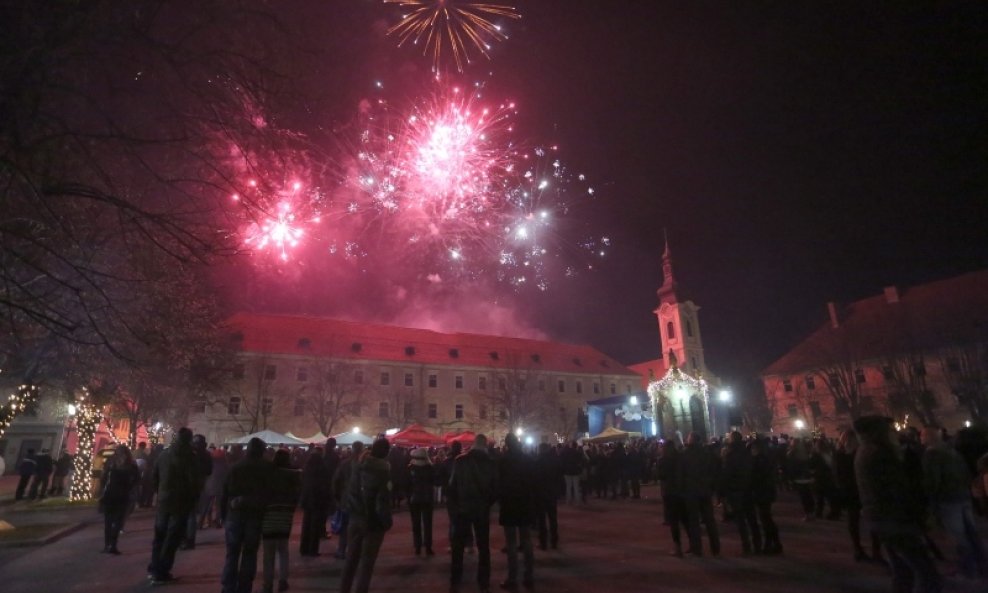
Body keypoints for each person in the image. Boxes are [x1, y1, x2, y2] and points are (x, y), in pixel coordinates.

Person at [854, 415, 941, 593]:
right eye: (890, 429)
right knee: (927, 573)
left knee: (903, 571)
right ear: (879, 433)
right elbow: (898, 491)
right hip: (896, 520)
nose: (894, 432)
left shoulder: (865, 451)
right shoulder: (880, 454)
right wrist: (919, 518)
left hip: (882, 519)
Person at [921, 426, 987, 579]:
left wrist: (931, 501)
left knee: (958, 537)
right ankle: (982, 564)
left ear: (929, 437)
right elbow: (965, 472)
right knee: (971, 533)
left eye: (923, 435)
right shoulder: (952, 451)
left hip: (948, 500)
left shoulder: (931, 455)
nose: (920, 438)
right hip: (962, 496)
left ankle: (968, 569)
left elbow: (933, 481)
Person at [148, 428, 203, 585]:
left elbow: (155, 476)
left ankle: (155, 567)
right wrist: (194, 497)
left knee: (160, 535)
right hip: (180, 501)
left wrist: (159, 492)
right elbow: (194, 481)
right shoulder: (189, 458)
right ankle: (162, 570)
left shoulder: (164, 455)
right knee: (172, 537)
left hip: (164, 500)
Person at [339, 437, 393, 593]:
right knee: (366, 564)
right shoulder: (383, 471)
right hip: (372, 522)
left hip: (355, 517)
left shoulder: (357, 466)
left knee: (351, 560)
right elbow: (382, 501)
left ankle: (344, 589)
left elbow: (349, 490)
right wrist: (386, 522)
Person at [220, 436, 273, 593]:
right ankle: (244, 587)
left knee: (232, 553)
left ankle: (228, 587)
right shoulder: (267, 468)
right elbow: (272, 492)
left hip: (235, 515)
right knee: (250, 554)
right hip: (255, 516)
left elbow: (225, 492)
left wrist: (223, 515)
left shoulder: (235, 467)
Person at [448, 434, 498, 593]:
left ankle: (455, 578)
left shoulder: (460, 461)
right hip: (481, 509)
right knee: (483, 547)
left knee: (458, 546)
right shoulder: (490, 464)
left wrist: (455, 506)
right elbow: (495, 490)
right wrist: (487, 503)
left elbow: (452, 487)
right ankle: (483, 581)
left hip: (462, 508)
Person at [834, 429, 882, 563]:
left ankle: (860, 549)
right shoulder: (857, 454)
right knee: (868, 521)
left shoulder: (841, 455)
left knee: (855, 521)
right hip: (858, 491)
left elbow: (838, 476)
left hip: (852, 492)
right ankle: (872, 551)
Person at [497, 433, 535, 591]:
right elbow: (533, 482)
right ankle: (529, 576)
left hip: (509, 504)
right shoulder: (527, 459)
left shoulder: (503, 461)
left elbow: (498, 482)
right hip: (524, 503)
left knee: (511, 543)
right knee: (526, 541)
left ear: (507, 444)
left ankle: (513, 577)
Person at [261, 449, 301, 593]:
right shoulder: (293, 475)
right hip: (285, 515)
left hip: (269, 514)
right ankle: (283, 580)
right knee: (283, 550)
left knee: (268, 553)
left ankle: (267, 585)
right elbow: (296, 495)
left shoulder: (268, 474)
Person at [680, 431, 720, 557]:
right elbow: (714, 471)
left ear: (691, 440)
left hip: (691, 491)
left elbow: (681, 474)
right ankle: (715, 548)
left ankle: (697, 548)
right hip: (705, 490)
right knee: (709, 520)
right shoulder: (707, 454)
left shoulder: (686, 455)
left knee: (694, 522)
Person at [721, 431, 760, 555]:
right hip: (748, 488)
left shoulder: (730, 455)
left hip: (736, 490)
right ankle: (757, 544)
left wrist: (725, 492)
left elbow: (727, 474)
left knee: (741, 520)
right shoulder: (747, 452)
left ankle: (746, 546)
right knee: (752, 518)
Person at [99, 444, 141, 554]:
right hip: (123, 494)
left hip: (110, 494)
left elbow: (103, 478)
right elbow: (137, 479)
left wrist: (103, 490)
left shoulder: (111, 463)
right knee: (118, 521)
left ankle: (107, 545)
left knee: (108, 521)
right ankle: (113, 545)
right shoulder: (131, 465)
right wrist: (131, 488)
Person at [749, 438, 782, 555]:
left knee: (766, 519)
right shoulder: (768, 458)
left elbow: (756, 477)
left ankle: (770, 544)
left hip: (761, 492)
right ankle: (775, 543)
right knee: (767, 518)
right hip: (767, 491)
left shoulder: (759, 460)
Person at [332, 442, 365, 559]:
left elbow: (336, 481)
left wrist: (337, 497)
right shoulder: (364, 464)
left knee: (345, 527)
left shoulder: (344, 463)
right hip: (360, 500)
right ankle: (354, 551)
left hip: (346, 498)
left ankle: (342, 550)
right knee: (358, 527)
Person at [656, 438, 688, 557]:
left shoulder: (663, 460)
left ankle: (678, 547)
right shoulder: (681, 457)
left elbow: (660, 476)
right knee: (685, 519)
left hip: (670, 492)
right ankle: (694, 545)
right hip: (681, 491)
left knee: (674, 521)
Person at [181, 434, 212, 549]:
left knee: (186, 514)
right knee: (191, 513)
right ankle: (190, 539)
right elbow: (209, 471)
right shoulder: (206, 454)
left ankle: (185, 539)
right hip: (199, 485)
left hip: (187, 485)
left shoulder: (189, 454)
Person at [300, 448, 332, 557]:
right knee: (315, 525)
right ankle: (313, 549)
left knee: (306, 524)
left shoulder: (307, 468)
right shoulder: (322, 469)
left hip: (307, 499)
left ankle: (304, 548)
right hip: (317, 500)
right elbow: (325, 485)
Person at [407, 447, 437, 556]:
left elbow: (407, 484)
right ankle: (428, 547)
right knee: (428, 523)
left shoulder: (411, 468)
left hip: (414, 498)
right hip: (427, 498)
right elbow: (435, 481)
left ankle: (418, 546)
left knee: (416, 523)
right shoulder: (430, 468)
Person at [533, 442, 562, 551]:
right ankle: (554, 541)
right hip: (552, 493)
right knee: (553, 518)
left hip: (541, 493)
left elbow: (535, 478)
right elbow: (559, 476)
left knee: (542, 520)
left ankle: (543, 542)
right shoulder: (555, 461)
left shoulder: (537, 462)